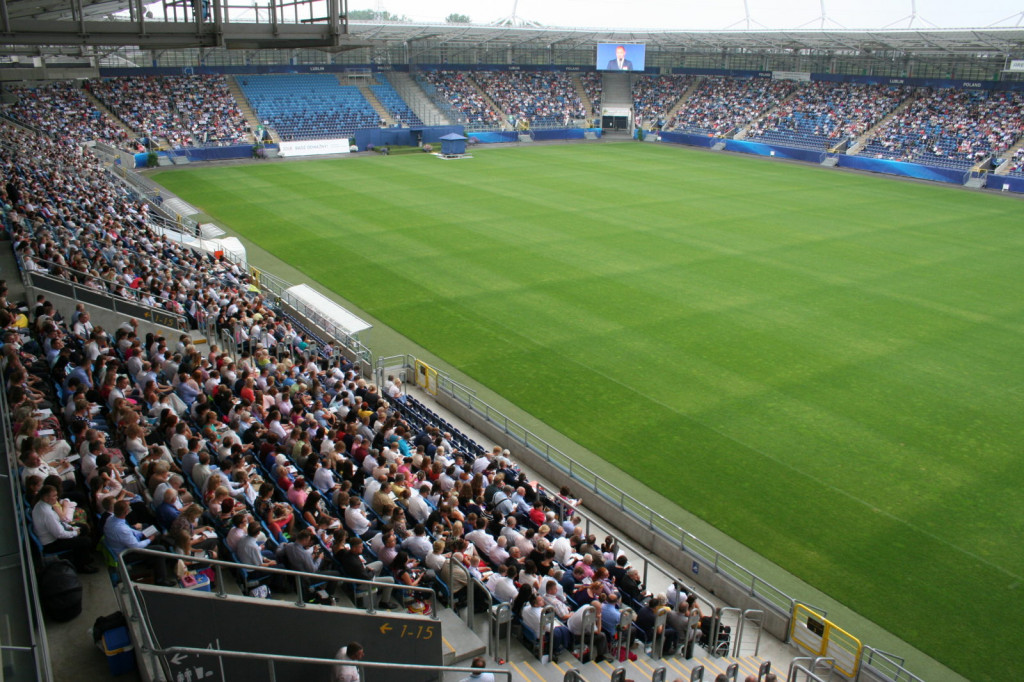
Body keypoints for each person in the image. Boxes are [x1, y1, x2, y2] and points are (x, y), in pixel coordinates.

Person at [32, 484, 97, 573]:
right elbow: (59, 534)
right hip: (51, 544)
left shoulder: (42, 505)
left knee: (84, 528)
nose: (57, 497)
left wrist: (70, 527)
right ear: (46, 498)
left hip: (55, 536)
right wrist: (75, 533)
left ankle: (84, 557)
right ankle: (81, 566)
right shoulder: (47, 513)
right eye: (54, 496)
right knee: (85, 541)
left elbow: (58, 521)